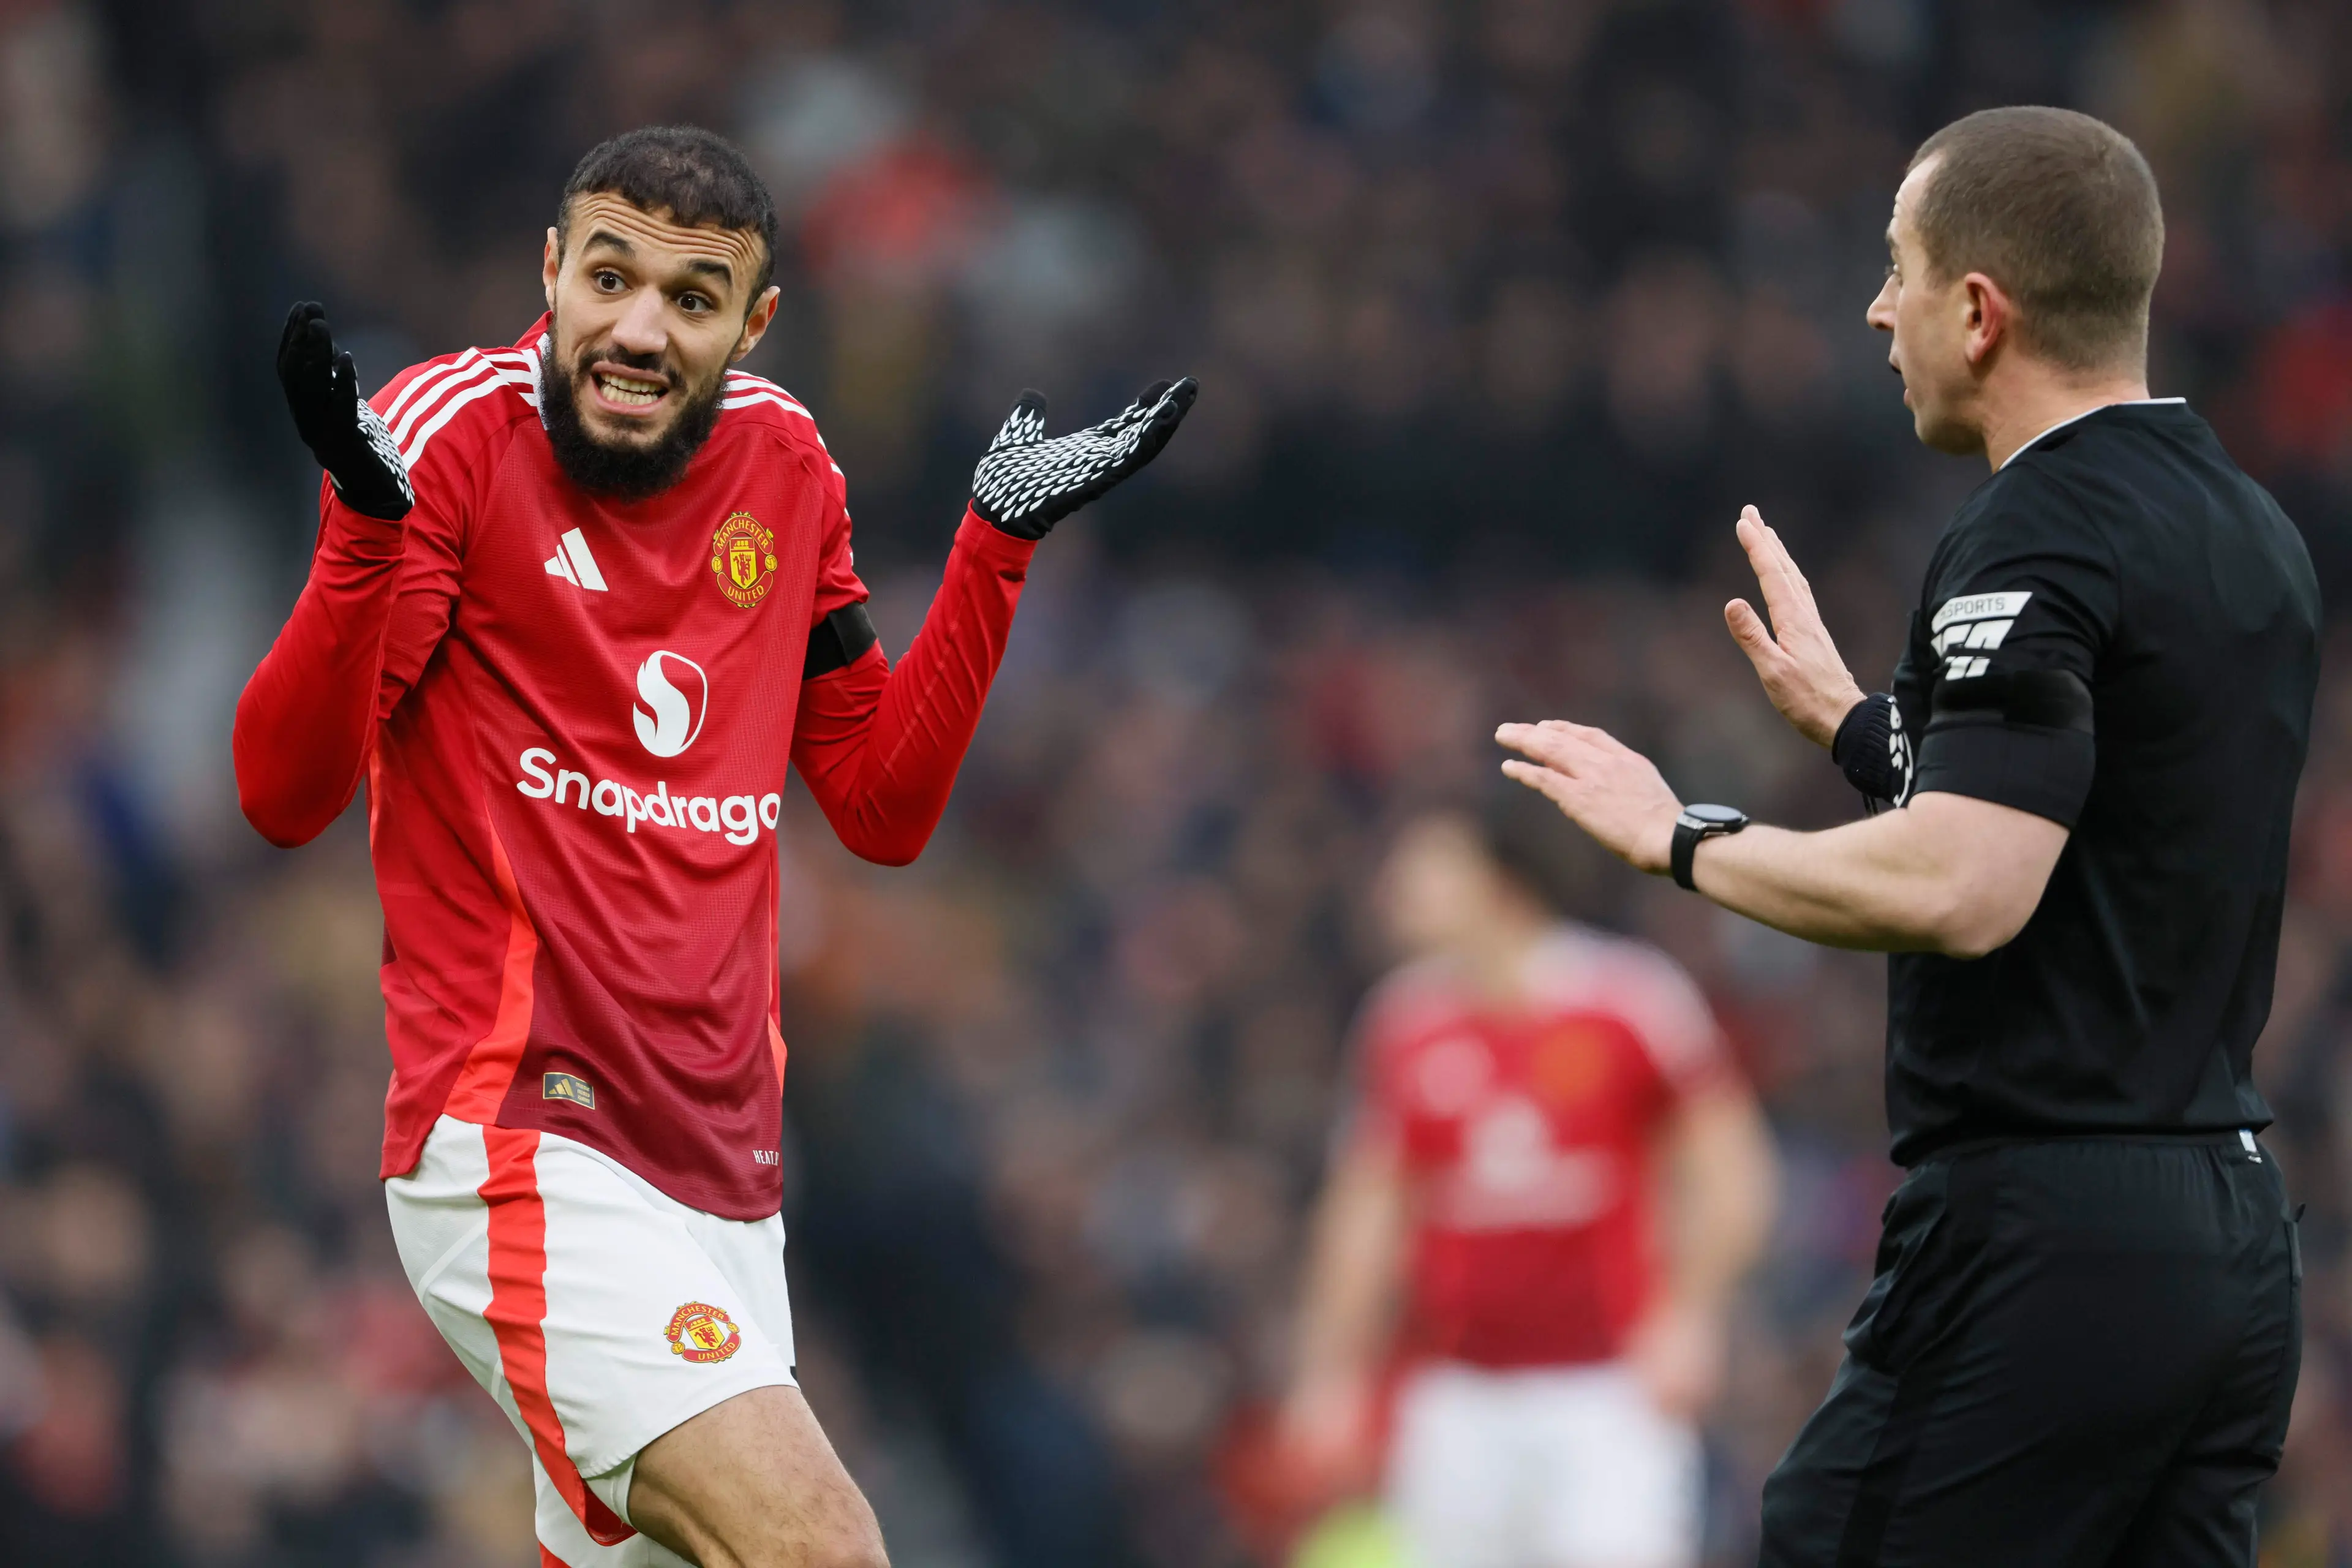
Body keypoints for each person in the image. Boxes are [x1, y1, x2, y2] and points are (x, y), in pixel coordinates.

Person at [232, 126, 1193, 1568]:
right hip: (527, 1140)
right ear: (551, 270)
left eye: (691, 298)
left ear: (753, 322)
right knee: (821, 1543)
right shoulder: (445, 438)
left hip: (727, 1187)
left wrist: (994, 547)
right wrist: (366, 532)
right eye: (608, 277)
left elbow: (876, 804)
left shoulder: (784, 458)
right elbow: (280, 794)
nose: (637, 329)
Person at [1496, 105, 2317, 1566]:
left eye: (1899, 268)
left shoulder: (2037, 522)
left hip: (2049, 1230)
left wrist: (1679, 836)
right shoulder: (2245, 522)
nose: (1879, 310)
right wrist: (1860, 730)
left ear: (1979, 311)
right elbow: (2104, 840)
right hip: (2228, 1229)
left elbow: (1966, 883)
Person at [1280, 802, 1778, 1568]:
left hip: (1609, 1393)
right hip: (1455, 1398)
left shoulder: (1629, 998)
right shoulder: (1403, 1022)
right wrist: (1333, 1370)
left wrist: (1691, 1313)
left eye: (1427, 867)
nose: (1397, 887)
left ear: (1501, 881)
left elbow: (1732, 1171)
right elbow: (1367, 1211)